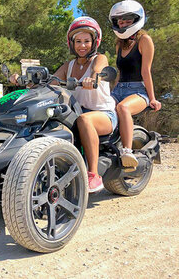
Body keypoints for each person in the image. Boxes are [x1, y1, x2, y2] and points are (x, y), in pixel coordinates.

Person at [10, 16, 117, 193]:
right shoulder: (69, 64)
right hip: (76, 111)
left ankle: (93, 174)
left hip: (103, 113)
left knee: (84, 120)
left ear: (94, 42)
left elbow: (100, 68)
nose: (82, 45)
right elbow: (50, 82)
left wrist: (94, 77)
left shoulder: (99, 59)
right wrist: (23, 80)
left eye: (87, 41)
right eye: (78, 41)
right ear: (72, 43)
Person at [109, 0, 162, 169]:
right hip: (119, 89)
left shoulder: (144, 40)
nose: (123, 24)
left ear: (136, 20)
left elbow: (146, 71)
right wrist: (110, 93)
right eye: (120, 21)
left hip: (138, 90)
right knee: (100, 108)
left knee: (123, 108)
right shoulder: (119, 43)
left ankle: (127, 151)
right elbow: (119, 72)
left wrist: (152, 98)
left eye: (127, 20)